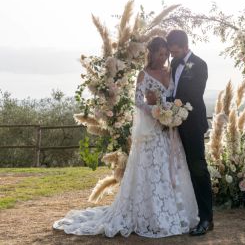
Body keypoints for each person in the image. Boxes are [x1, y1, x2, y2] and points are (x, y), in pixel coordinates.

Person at [53, 36, 199, 238]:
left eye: (166, 54)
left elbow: (172, 98)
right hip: (151, 132)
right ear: (152, 53)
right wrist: (157, 112)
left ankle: (176, 212)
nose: (164, 58)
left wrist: (170, 113)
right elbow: (138, 101)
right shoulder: (143, 74)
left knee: (171, 169)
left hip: (168, 132)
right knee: (153, 171)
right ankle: (150, 215)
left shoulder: (170, 71)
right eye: (161, 54)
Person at [166, 29, 214, 236]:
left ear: (185, 47)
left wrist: (164, 104)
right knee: (178, 170)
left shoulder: (200, 64)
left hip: (192, 124)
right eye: (171, 52)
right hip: (173, 124)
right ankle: (183, 213)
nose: (172, 55)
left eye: (175, 52)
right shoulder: (175, 63)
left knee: (198, 169)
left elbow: (192, 95)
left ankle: (206, 218)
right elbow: (173, 89)